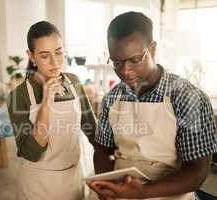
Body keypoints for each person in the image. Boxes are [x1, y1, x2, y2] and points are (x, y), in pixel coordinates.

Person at [88, 12, 217, 200]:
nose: (125, 71)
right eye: (117, 62)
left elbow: (197, 172)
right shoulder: (112, 98)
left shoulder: (188, 98)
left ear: (153, 49)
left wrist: (143, 192)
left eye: (134, 60)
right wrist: (106, 185)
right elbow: (102, 150)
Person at [6, 21, 97, 200]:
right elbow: (32, 153)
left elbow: (93, 130)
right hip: (38, 186)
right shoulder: (19, 96)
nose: (55, 62)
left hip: (73, 181)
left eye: (59, 52)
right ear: (31, 56)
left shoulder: (74, 82)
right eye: (44, 55)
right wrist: (46, 102)